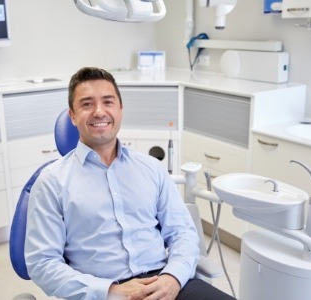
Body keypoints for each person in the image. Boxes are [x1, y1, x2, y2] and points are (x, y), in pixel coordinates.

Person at [25, 67, 236, 300]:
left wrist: (173, 277)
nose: (99, 112)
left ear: (120, 109)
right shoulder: (51, 182)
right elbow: (42, 263)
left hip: (165, 282)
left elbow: (182, 232)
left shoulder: (151, 168)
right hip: (102, 291)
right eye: (86, 104)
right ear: (73, 116)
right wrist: (111, 292)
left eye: (108, 102)